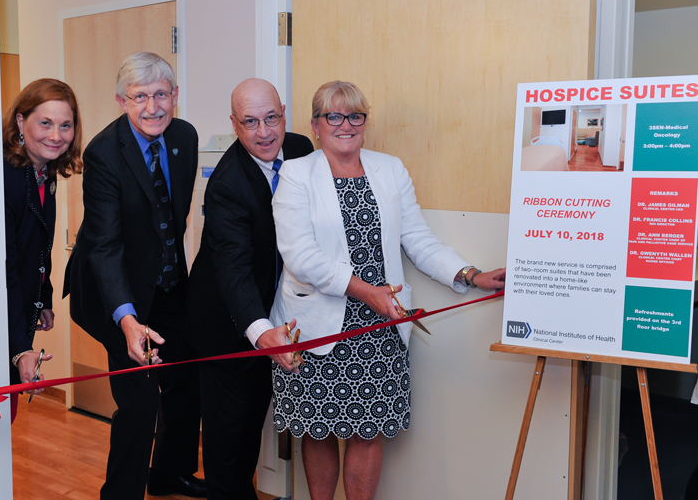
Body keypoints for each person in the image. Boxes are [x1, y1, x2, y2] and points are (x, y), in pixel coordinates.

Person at [270, 80, 506, 500]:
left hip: (381, 324)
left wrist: (472, 274)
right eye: (334, 116)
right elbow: (300, 257)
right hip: (318, 323)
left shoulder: (390, 168)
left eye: (355, 115)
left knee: (367, 430)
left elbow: (418, 239)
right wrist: (367, 291)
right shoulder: (296, 172)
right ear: (315, 125)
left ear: (365, 122)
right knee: (319, 429)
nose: (346, 125)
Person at [63, 52, 204, 500]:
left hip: (163, 282)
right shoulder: (104, 152)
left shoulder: (183, 135)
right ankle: (120, 495)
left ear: (175, 96)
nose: (152, 107)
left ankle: (168, 474)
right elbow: (105, 245)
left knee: (185, 378)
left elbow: (175, 216)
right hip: (113, 289)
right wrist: (127, 319)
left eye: (161, 94)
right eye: (140, 96)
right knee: (140, 401)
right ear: (123, 101)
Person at [182, 78, 313, 500]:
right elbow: (233, 271)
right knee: (230, 444)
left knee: (255, 421)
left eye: (271, 118)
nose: (264, 133)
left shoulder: (300, 149)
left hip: (275, 315)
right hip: (228, 325)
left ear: (284, 114)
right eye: (251, 122)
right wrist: (260, 331)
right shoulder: (227, 186)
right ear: (235, 126)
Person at [3, 78, 83, 419]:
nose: (56, 136)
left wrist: (43, 297)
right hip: (2, 314)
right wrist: (21, 348)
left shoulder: (42, 173)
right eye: (45, 123)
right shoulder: (7, 177)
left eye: (66, 125)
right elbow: (4, 265)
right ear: (21, 122)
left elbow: (37, 246)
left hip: (21, 307)